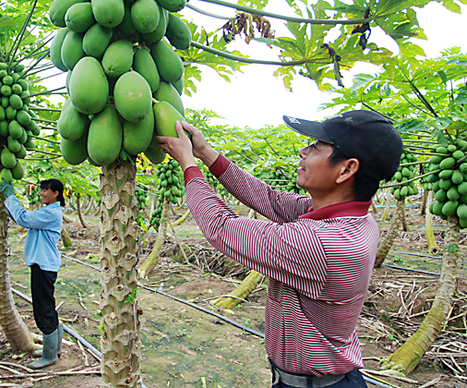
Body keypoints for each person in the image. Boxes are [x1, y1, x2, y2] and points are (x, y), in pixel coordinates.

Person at [157, 110, 403, 388]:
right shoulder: (350, 217)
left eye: (316, 147)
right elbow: (269, 199)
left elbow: (221, 228)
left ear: (346, 169)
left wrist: (188, 164)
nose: (303, 150)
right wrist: (205, 153)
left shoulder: (323, 244)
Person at [0, 178, 66, 369]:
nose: (42, 193)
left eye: (46, 190)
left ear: (56, 193)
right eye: (42, 190)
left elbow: (24, 219)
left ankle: (50, 355)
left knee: (43, 309)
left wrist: (10, 195)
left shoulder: (51, 213)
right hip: (44, 265)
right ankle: (53, 348)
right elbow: (22, 219)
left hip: (44, 266)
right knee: (48, 306)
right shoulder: (48, 211)